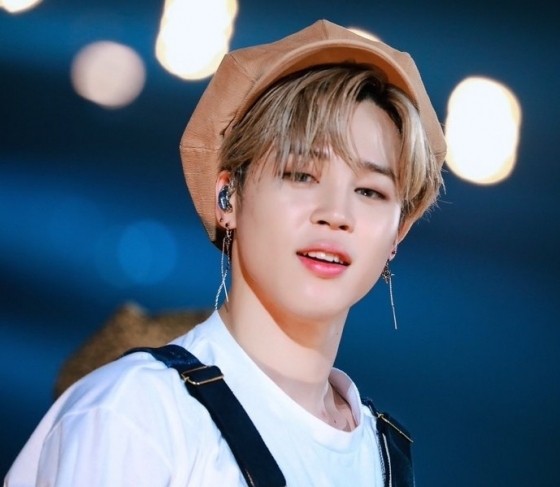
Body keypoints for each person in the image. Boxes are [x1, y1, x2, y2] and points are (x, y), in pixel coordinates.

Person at [5, 19, 446, 487]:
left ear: (398, 233)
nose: (336, 214)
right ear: (228, 197)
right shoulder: (141, 413)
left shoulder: (381, 456)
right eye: (301, 175)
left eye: (370, 191)